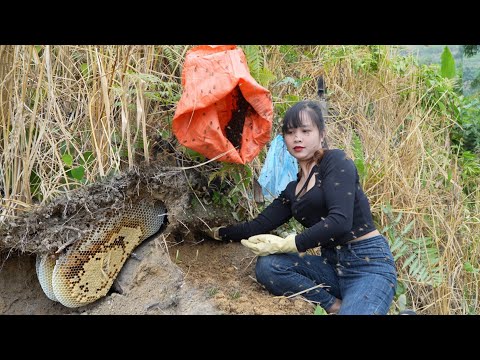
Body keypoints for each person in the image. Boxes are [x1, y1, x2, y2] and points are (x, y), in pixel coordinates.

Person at [209, 99, 398, 315]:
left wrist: (291, 243)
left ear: (321, 134)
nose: (297, 138)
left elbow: (341, 221)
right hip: (331, 268)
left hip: (368, 265)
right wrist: (215, 233)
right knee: (269, 265)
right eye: (290, 133)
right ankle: (334, 305)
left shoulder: (336, 162)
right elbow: (257, 226)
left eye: (306, 131)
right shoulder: (293, 189)